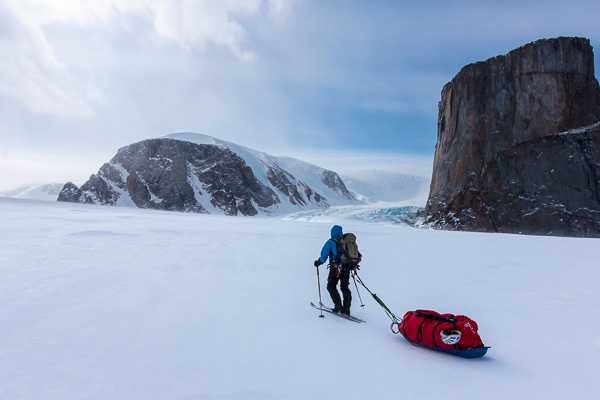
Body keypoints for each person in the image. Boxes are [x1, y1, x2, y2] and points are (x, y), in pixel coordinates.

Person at [313, 225, 352, 315]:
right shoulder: (346, 241)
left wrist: (318, 262)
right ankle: (346, 310)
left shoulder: (330, 242)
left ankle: (338, 307)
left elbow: (324, 256)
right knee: (345, 288)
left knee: (331, 286)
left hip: (336, 268)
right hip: (347, 267)